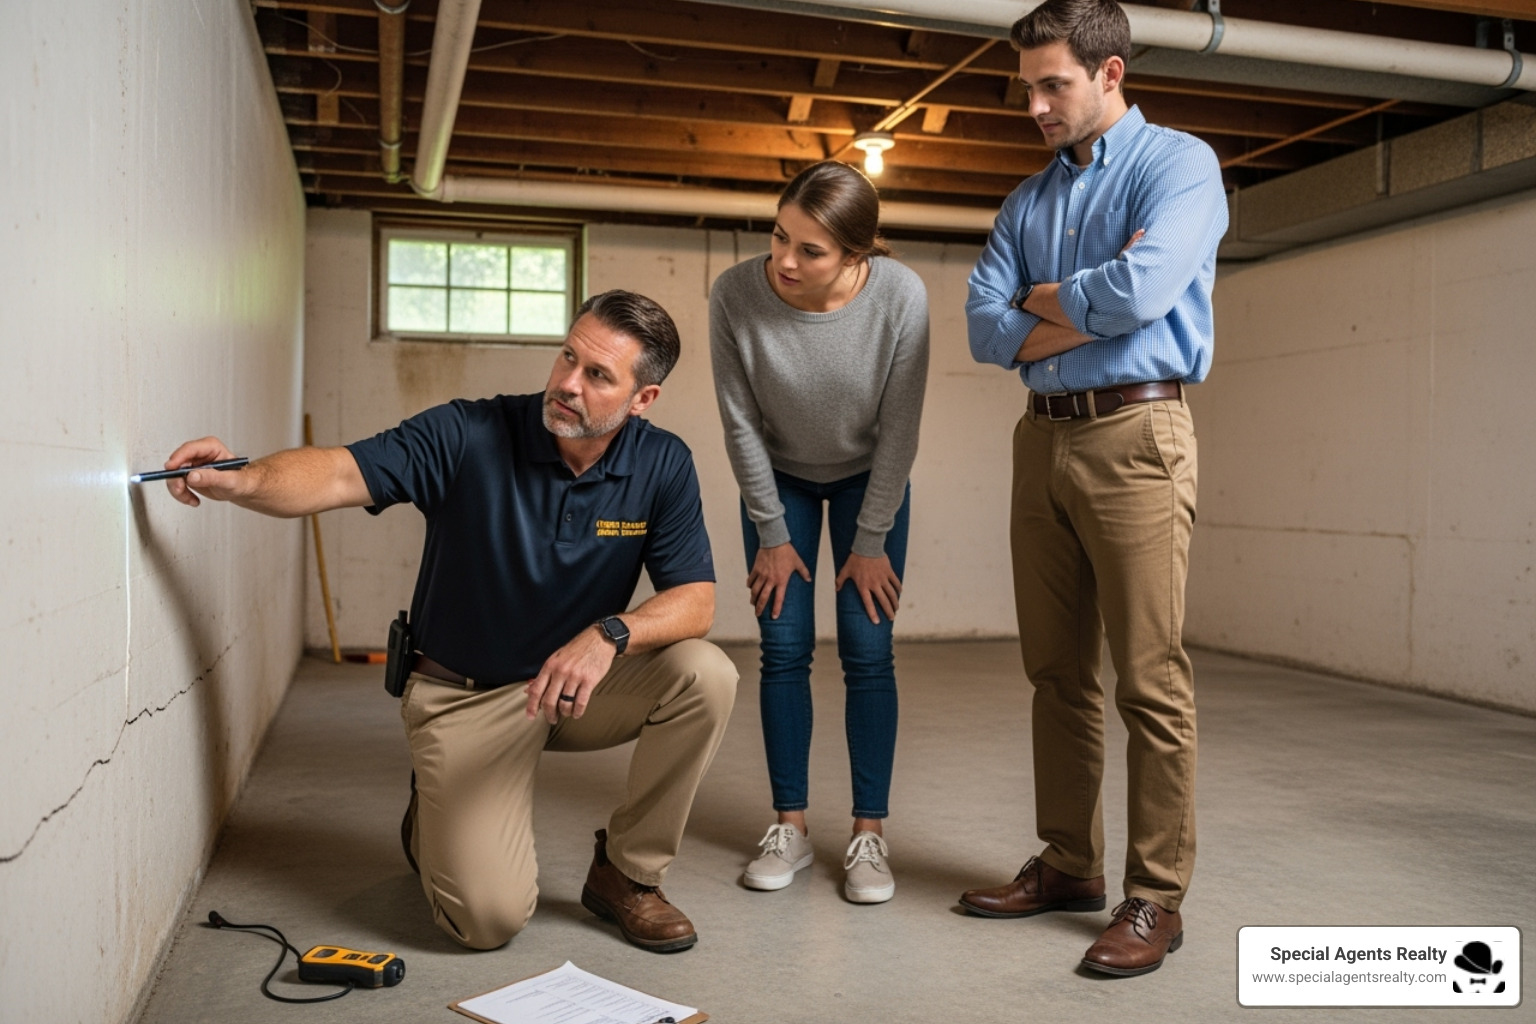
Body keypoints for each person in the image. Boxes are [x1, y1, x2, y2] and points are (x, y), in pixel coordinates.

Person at [160, 290, 737, 954]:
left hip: (571, 689)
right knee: (487, 922)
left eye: (598, 375)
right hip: (466, 696)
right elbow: (339, 473)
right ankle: (427, 821)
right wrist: (246, 479)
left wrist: (610, 634)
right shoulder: (469, 433)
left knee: (705, 676)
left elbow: (696, 601)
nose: (567, 384)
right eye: (567, 357)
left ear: (643, 400)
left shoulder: (662, 464)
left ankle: (627, 875)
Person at [959, 0, 1227, 977]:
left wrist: (1043, 299)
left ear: (1111, 75)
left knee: (1149, 678)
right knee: (1056, 672)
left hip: (1138, 436)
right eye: (1026, 86)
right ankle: (1069, 863)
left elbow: (1146, 292)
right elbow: (986, 330)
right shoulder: (1026, 201)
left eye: (1053, 84)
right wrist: (1081, 303)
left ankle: (1155, 896)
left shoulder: (1179, 166)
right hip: (1043, 442)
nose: (1033, 104)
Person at [710, 161, 929, 904]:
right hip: (779, 481)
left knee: (869, 652)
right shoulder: (735, 294)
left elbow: (900, 430)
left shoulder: (900, 297)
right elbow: (739, 423)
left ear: (857, 255)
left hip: (872, 477)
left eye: (811, 251)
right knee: (783, 647)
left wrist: (870, 542)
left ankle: (868, 836)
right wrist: (772, 531)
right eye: (779, 237)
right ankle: (791, 828)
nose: (786, 261)